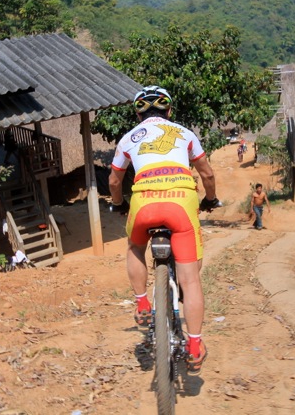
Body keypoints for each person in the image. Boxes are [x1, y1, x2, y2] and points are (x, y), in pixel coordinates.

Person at [108, 85, 220, 375]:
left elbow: (114, 181)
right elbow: (207, 173)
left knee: (134, 247)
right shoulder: (185, 133)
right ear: (169, 111)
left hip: (143, 203)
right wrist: (211, 198)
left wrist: (119, 204)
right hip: (181, 203)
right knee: (191, 280)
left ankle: (142, 302)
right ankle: (194, 347)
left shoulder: (128, 139)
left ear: (138, 113)